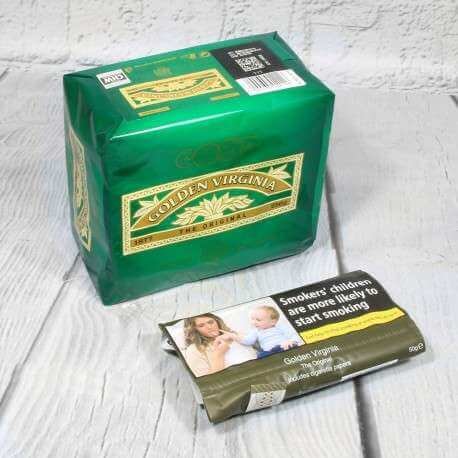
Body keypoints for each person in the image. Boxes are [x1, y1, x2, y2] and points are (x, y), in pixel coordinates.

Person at [183, 313, 256, 377]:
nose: (209, 327)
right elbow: (207, 381)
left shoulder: (235, 335)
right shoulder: (194, 350)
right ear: (195, 330)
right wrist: (219, 354)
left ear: (217, 322)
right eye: (201, 325)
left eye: (211, 322)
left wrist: (235, 337)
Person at [227, 305, 302, 358]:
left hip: (284, 347)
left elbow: (293, 335)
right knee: (260, 355)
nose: (254, 322)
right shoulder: (256, 331)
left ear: (272, 322)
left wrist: (292, 341)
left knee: (293, 347)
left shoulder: (279, 326)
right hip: (270, 352)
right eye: (252, 319)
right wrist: (234, 336)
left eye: (258, 320)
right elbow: (248, 341)